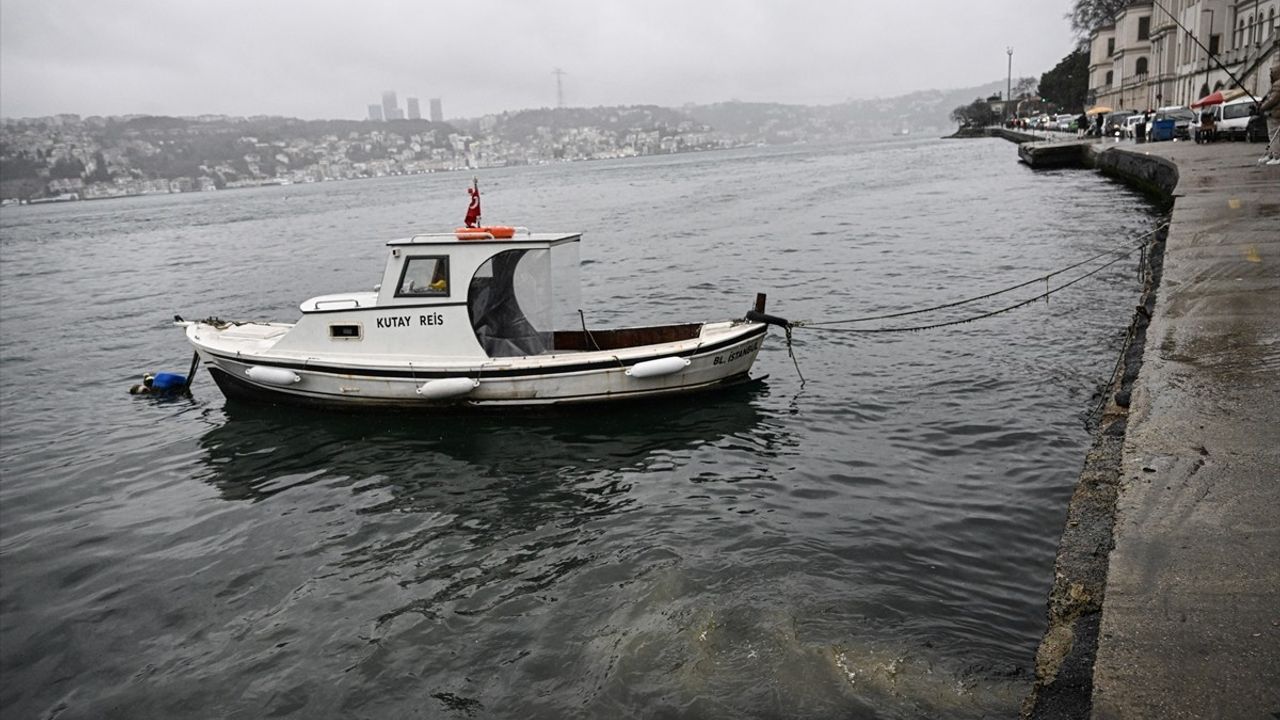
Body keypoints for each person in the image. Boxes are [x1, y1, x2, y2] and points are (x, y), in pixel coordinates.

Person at [1259, 60, 1280, 165]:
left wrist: (1262, 107)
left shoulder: (1277, 85)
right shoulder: (1276, 84)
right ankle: (1272, 153)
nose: (1270, 75)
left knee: (1274, 135)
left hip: (1275, 114)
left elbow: (1273, 100)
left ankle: (1277, 155)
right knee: (1273, 135)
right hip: (1274, 113)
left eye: (1272, 73)